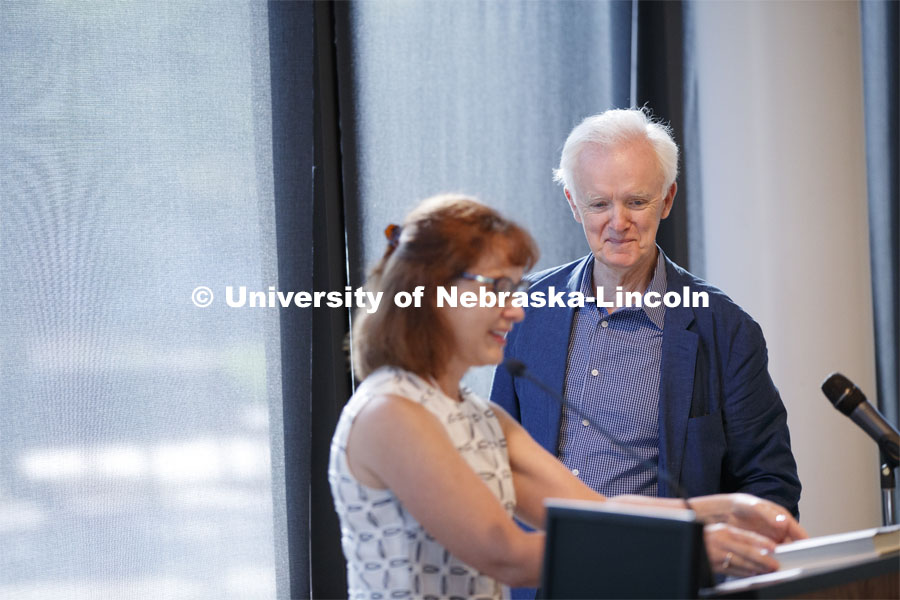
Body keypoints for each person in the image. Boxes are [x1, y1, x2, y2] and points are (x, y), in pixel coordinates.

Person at [329, 194, 807, 599]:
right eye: (497, 288)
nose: (517, 310)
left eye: (516, 289)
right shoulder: (391, 412)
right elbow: (506, 553)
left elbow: (596, 513)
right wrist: (690, 545)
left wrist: (730, 510)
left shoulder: (481, 417)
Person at [490, 108, 802, 522]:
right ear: (573, 204)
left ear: (667, 199)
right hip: (540, 576)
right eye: (599, 203)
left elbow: (770, 487)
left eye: (636, 201)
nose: (618, 223)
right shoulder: (525, 308)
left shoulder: (726, 331)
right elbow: (495, 461)